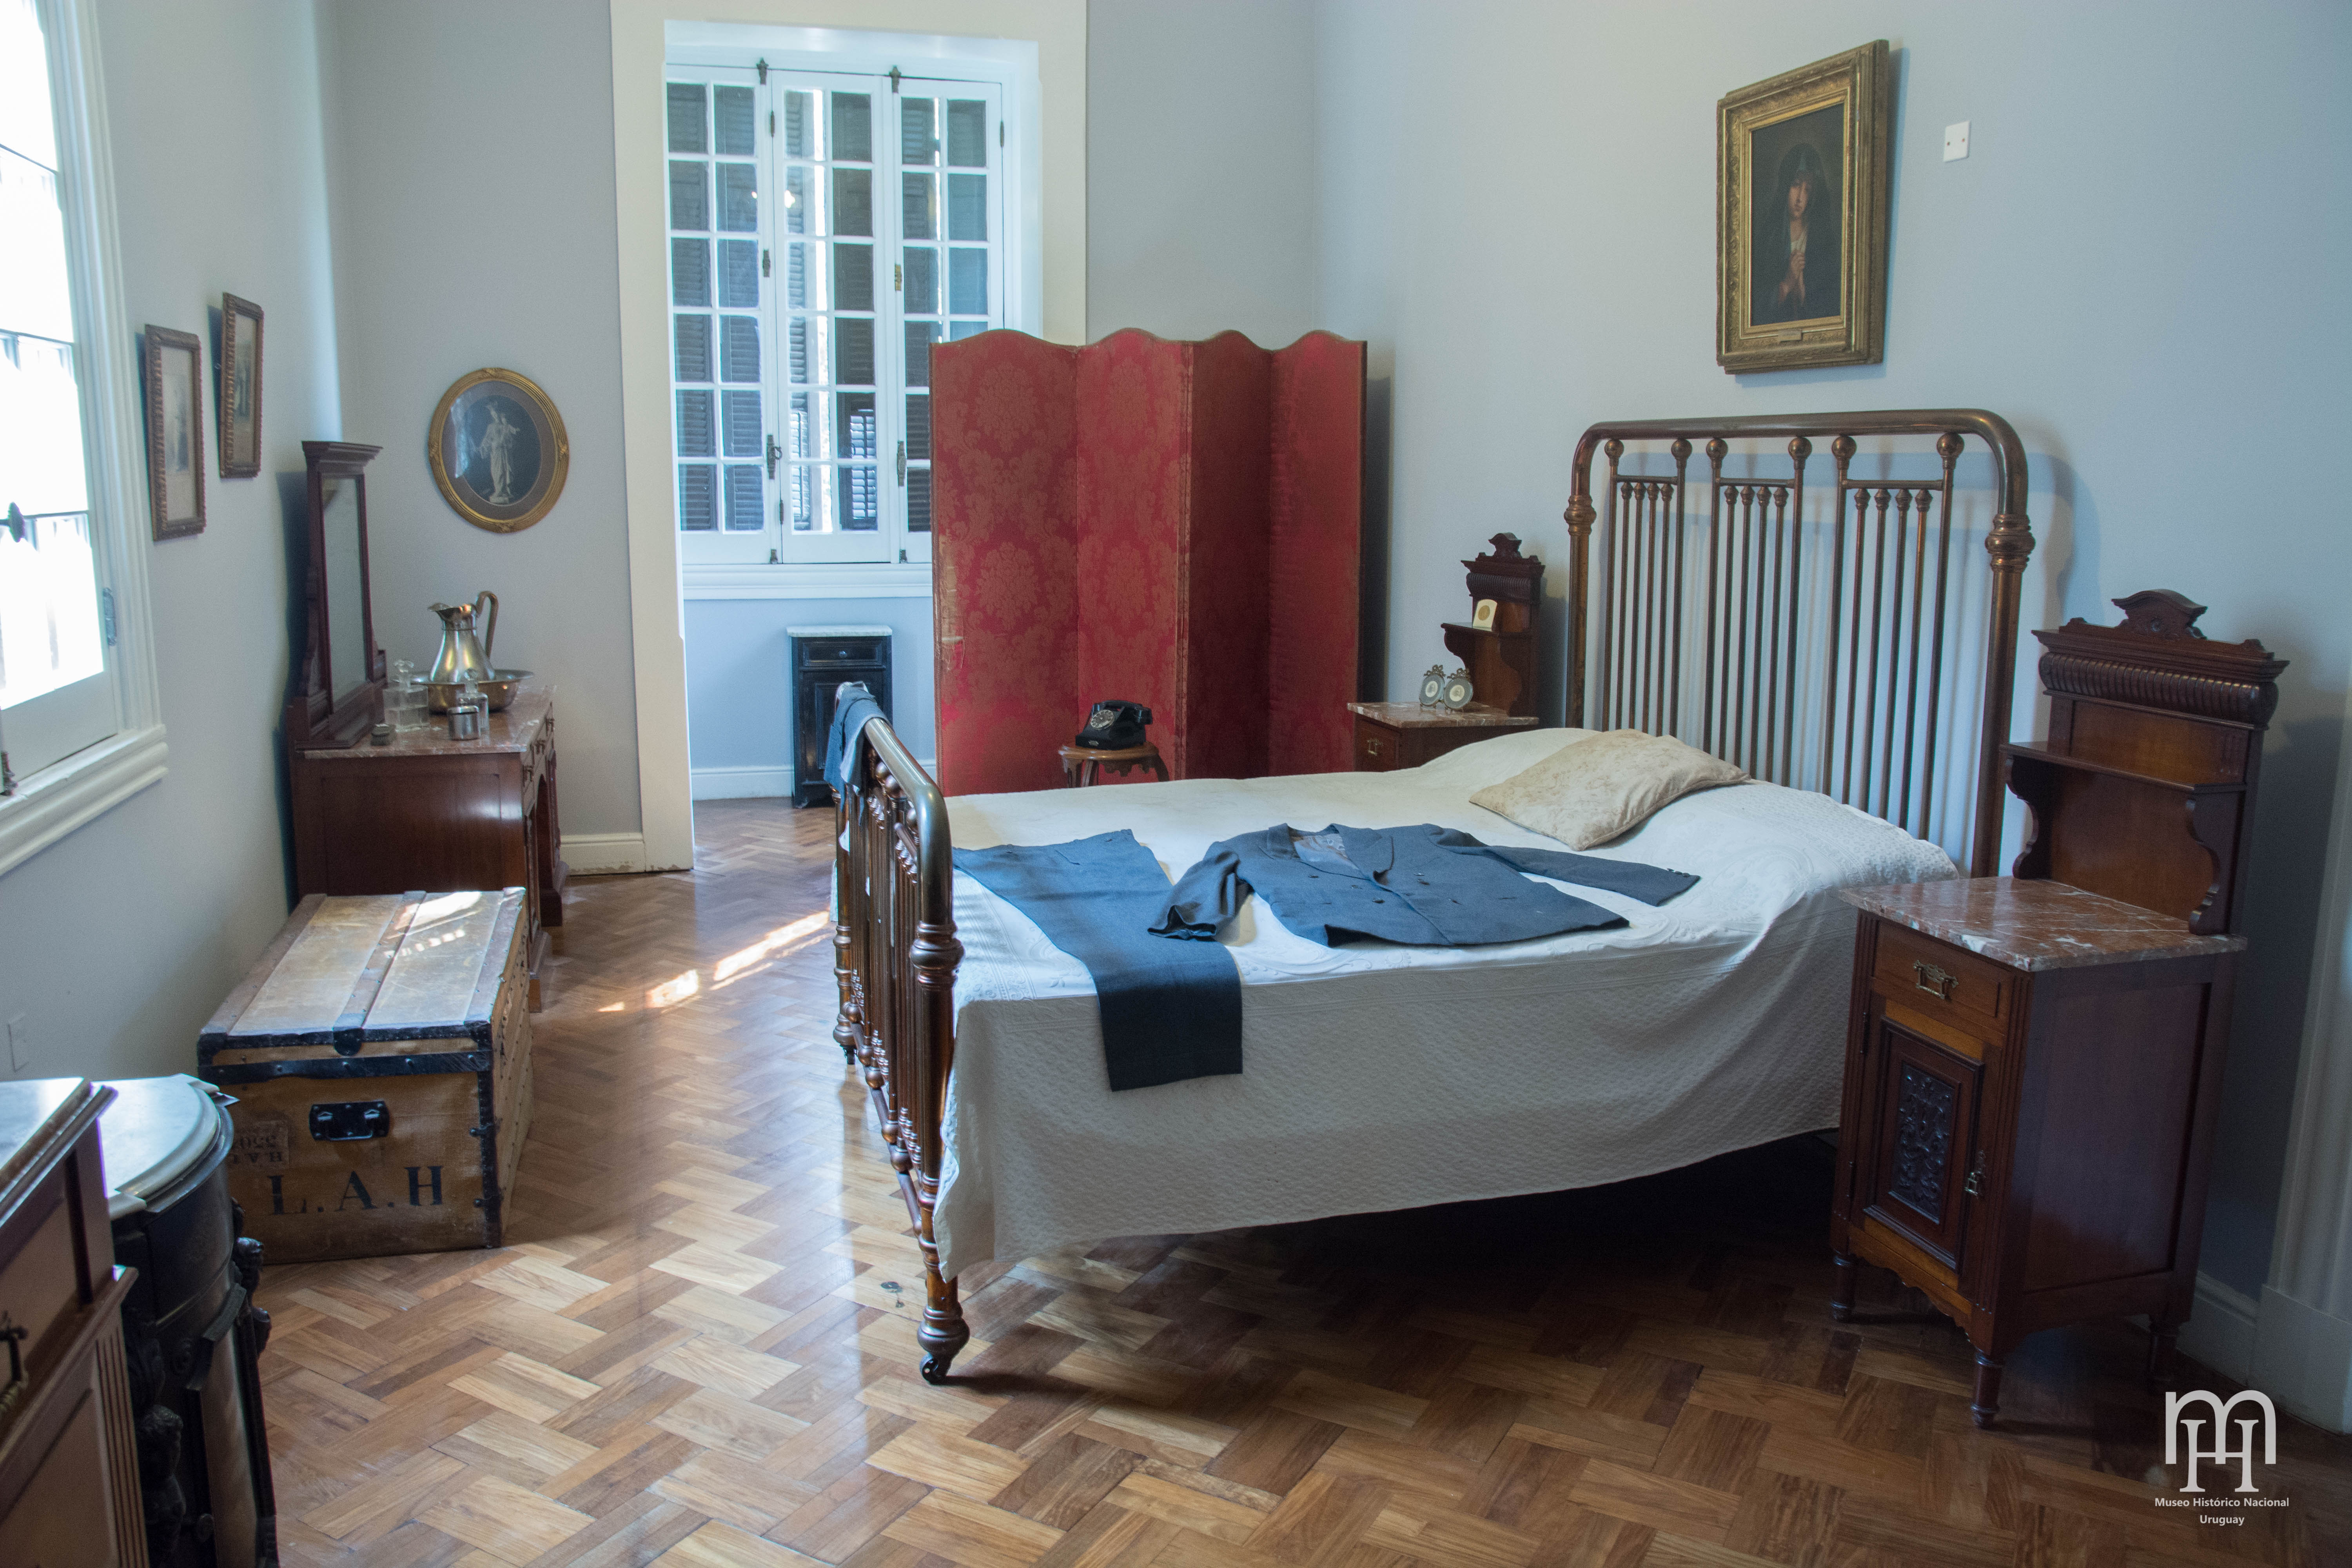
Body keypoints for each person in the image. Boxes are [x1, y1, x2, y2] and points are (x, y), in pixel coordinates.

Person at [1753, 142, 1839, 325]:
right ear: (1786, 186)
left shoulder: (1823, 240)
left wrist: (1804, 292)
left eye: (1807, 190)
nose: (1800, 198)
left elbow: (1833, 303)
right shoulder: (1768, 238)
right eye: (1796, 186)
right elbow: (1753, 307)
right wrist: (1786, 284)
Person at [474, 401, 519, 504]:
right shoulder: (491, 427)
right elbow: (487, 440)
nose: (495, 416)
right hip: (495, 452)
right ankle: (499, 491)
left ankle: (506, 492)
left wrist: (507, 441)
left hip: (504, 452)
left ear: (499, 414)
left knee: (505, 470)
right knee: (497, 471)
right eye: (493, 414)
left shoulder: (505, 427)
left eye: (496, 413)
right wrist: (481, 448)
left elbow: (511, 440)